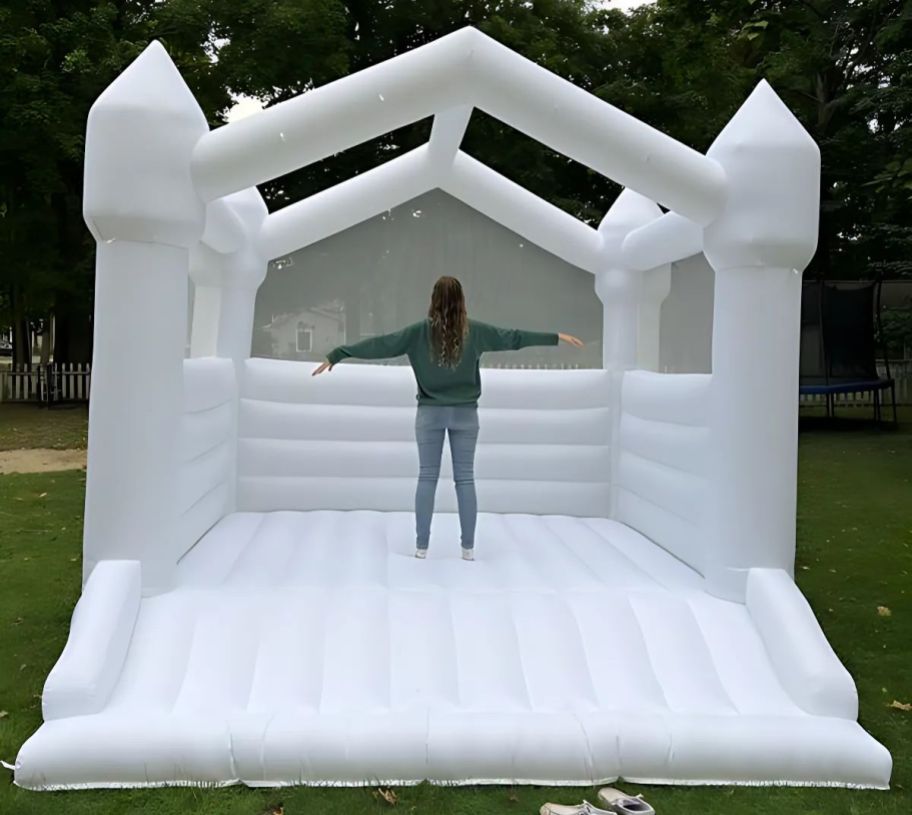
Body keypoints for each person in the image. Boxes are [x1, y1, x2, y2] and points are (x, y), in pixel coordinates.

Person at [312, 275, 584, 560]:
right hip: (466, 415)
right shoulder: (475, 332)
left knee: (427, 477)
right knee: (465, 480)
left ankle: (421, 548)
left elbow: (381, 344)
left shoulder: (418, 332)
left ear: (433, 300)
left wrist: (338, 353)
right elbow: (513, 337)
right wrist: (556, 337)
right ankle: (468, 550)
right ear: (462, 302)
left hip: (429, 414)